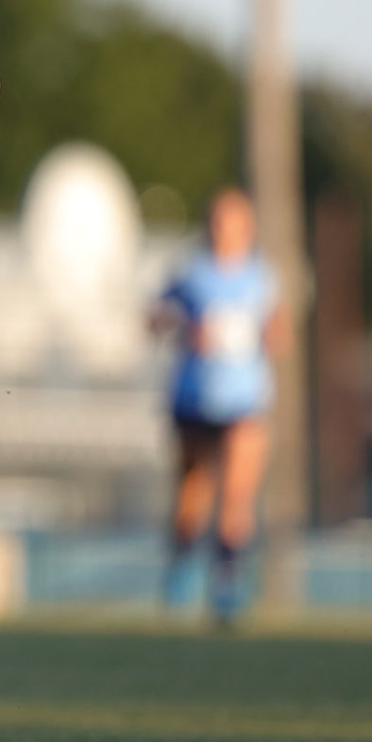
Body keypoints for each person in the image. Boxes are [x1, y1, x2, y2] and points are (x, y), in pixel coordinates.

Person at [149, 187, 286, 625]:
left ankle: (228, 585)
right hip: (194, 398)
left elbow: (279, 332)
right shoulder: (191, 272)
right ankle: (182, 572)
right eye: (219, 221)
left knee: (238, 495)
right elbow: (154, 318)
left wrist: (262, 335)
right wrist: (188, 328)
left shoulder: (262, 277)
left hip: (245, 401)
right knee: (192, 494)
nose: (226, 230)